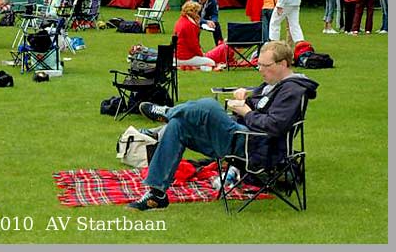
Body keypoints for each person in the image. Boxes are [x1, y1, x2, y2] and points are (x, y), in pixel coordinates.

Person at [127, 40, 318, 211]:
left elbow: (274, 126)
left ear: (283, 64)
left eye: (264, 65)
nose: (260, 70)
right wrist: (245, 100)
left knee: (209, 106)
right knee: (178, 126)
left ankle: (166, 112)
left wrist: (247, 112)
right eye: (258, 64)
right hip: (241, 137)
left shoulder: (293, 90)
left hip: (256, 147)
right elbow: (260, 109)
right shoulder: (271, 84)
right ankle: (157, 194)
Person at [173, 1, 215, 67]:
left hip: (178, 54)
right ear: (193, 12)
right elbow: (193, 44)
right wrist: (202, 55)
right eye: (197, 12)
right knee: (211, 62)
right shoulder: (189, 25)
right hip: (185, 57)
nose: (198, 14)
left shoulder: (181, 20)